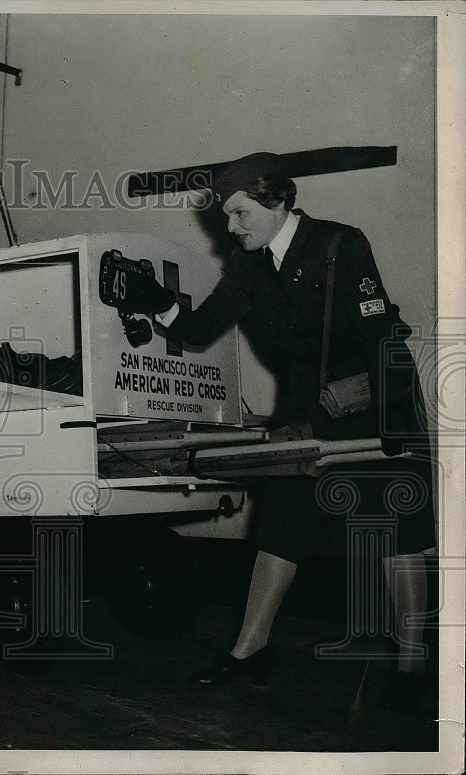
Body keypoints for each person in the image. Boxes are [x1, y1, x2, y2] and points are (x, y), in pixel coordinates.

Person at [118, 152, 435, 702]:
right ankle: (250, 649)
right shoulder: (249, 264)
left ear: (278, 202)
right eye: (227, 217)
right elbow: (200, 329)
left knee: (394, 528)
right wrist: (159, 305)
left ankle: (413, 666)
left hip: (372, 396)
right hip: (307, 408)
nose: (231, 227)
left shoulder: (340, 245)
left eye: (240, 214)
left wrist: (393, 425)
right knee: (281, 525)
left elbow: (380, 335)